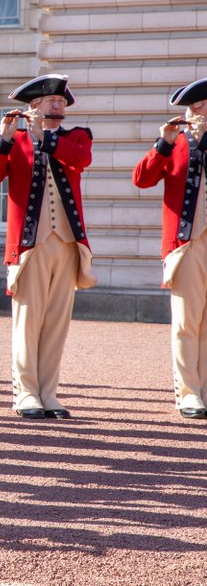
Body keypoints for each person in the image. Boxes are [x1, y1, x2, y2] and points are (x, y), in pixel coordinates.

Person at [0, 74, 95, 420]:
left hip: (67, 243)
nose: (58, 106)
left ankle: (48, 392)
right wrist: (3, 137)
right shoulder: (15, 141)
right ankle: (26, 392)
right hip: (30, 244)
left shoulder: (77, 136)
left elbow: (79, 160)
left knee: (57, 323)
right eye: (51, 102)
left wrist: (44, 136)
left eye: (61, 102)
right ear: (34, 106)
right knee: (28, 321)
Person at [133, 78, 207, 419]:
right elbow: (142, 179)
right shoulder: (174, 142)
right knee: (187, 323)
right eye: (193, 108)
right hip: (187, 244)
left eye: (201, 107)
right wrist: (163, 143)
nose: (195, 113)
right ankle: (189, 393)